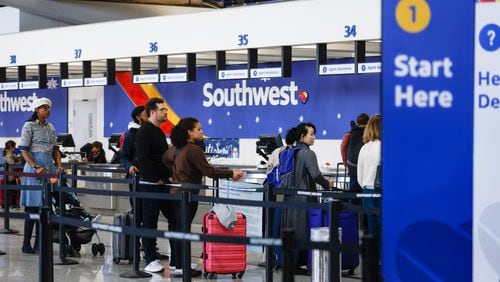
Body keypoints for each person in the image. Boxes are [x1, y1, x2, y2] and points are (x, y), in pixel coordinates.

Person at [163, 117, 245, 278]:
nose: (202, 131)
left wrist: (174, 174)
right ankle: (182, 266)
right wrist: (230, 173)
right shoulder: (194, 150)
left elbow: (164, 159)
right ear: (190, 132)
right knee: (184, 230)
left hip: (175, 192)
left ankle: (178, 264)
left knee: (179, 228)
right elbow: (209, 172)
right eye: (199, 129)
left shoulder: (175, 148)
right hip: (188, 195)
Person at [280, 122, 334, 274]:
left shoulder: (288, 151)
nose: (314, 137)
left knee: (291, 230)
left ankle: (291, 263)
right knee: (304, 230)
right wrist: (327, 184)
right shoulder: (308, 153)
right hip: (305, 198)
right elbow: (316, 175)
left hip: (289, 197)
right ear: (302, 136)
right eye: (311, 134)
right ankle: (301, 264)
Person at [120, 105, 172, 261]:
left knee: (151, 217)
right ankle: (135, 250)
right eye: (145, 114)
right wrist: (129, 167)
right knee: (141, 215)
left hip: (154, 181)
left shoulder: (155, 132)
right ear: (139, 117)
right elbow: (124, 156)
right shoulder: (131, 134)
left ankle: (150, 249)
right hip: (140, 180)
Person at [19, 97, 64, 254]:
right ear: (37, 110)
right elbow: (23, 150)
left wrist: (59, 165)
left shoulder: (50, 127)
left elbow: (55, 150)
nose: (48, 110)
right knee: (32, 207)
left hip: (49, 169)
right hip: (33, 170)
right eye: (44, 108)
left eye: (49, 108)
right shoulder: (29, 126)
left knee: (45, 208)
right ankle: (26, 244)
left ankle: (39, 244)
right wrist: (35, 166)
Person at [135, 97, 172, 273]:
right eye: (162, 109)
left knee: (175, 217)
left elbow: (161, 158)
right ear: (152, 112)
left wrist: (167, 176)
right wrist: (155, 177)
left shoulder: (158, 131)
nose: (166, 112)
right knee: (149, 222)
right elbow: (143, 158)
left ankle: (177, 260)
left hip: (162, 183)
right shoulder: (144, 132)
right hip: (150, 184)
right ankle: (150, 259)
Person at [357, 114, 381, 235]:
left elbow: (359, 177)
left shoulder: (364, 148)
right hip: (382, 192)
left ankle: (373, 253)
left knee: (372, 230)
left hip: (367, 191)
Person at [2, 140, 21, 208]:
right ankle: (8, 204)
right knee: (10, 191)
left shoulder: (11, 154)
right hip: (10, 176)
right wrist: (19, 162)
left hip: (11, 176)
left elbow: (15, 160)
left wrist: (18, 158)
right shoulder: (9, 155)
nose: (15, 148)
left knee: (12, 190)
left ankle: (11, 204)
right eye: (14, 147)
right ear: (10, 147)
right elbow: (12, 164)